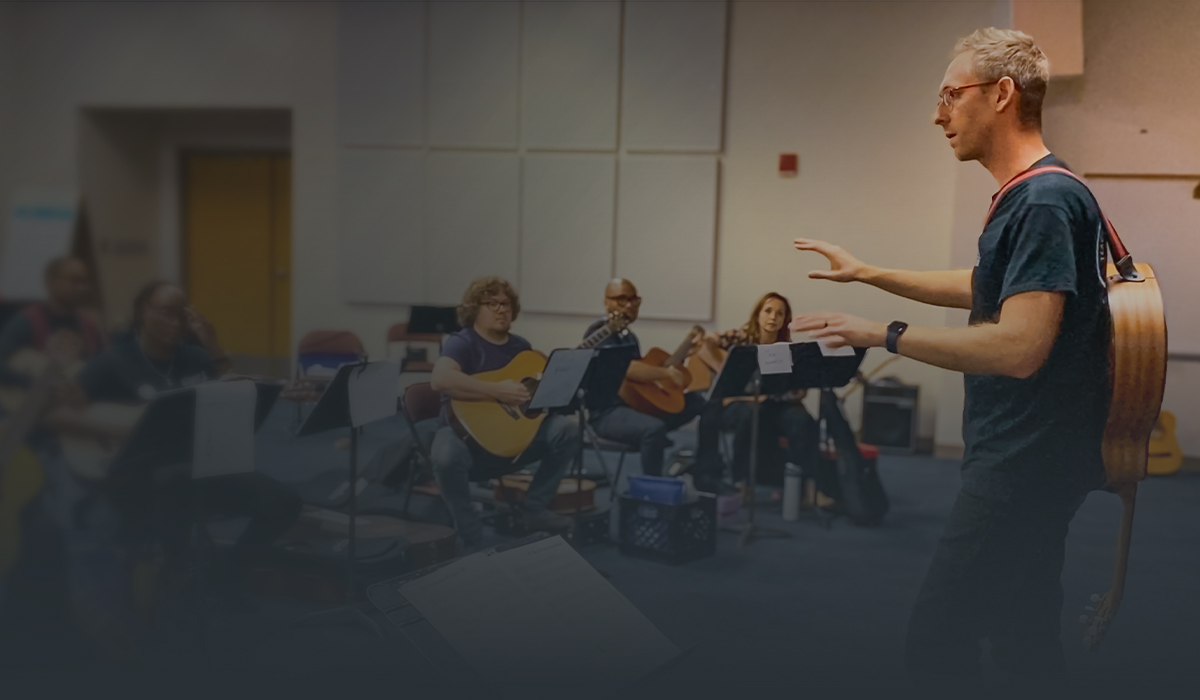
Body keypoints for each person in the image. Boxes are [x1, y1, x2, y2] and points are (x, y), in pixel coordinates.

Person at [791, 28, 1109, 683]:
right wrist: (870, 273)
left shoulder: (1044, 199)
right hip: (1037, 457)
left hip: (1022, 464)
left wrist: (881, 333)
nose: (938, 115)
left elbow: (1020, 347)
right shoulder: (1039, 192)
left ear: (1000, 94)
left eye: (949, 95)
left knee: (937, 640)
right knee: (1024, 639)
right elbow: (988, 285)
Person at [73, 281, 301, 591]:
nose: (177, 322)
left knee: (283, 502)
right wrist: (122, 424)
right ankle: (176, 571)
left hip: (198, 468)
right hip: (138, 474)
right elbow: (61, 413)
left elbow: (222, 390)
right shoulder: (115, 360)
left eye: (182, 315)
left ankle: (226, 577)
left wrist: (212, 342)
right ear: (142, 311)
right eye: (167, 313)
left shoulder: (195, 357)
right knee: (175, 485)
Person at [429, 276, 576, 550]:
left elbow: (530, 398)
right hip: (463, 435)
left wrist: (552, 387)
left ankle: (534, 507)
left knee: (567, 428)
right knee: (445, 457)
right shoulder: (462, 342)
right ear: (476, 308)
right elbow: (440, 379)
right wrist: (496, 390)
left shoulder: (520, 347)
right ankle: (470, 533)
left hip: (511, 436)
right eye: (491, 303)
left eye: (506, 304)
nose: (501, 309)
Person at [585, 278, 713, 480]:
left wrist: (685, 351)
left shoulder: (628, 336)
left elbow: (645, 375)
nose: (629, 305)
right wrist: (667, 373)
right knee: (653, 429)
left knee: (699, 403)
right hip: (606, 413)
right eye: (621, 299)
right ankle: (653, 491)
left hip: (634, 407)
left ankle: (706, 469)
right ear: (606, 302)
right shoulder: (601, 333)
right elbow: (628, 370)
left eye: (634, 300)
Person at [703, 292, 827, 498]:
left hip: (773, 405)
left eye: (779, 313)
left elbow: (799, 391)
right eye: (768, 311)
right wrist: (711, 343)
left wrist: (797, 390)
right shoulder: (740, 341)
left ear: (785, 320)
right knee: (749, 414)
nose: (773, 317)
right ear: (757, 315)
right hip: (742, 405)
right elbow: (707, 353)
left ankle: (808, 487)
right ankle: (741, 482)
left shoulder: (789, 349)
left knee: (802, 420)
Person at [0, 256, 105, 390]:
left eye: (84, 282)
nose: (80, 288)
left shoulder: (89, 324)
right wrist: (31, 383)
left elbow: (103, 367)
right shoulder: (28, 320)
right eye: (74, 280)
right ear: (51, 281)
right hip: (31, 401)